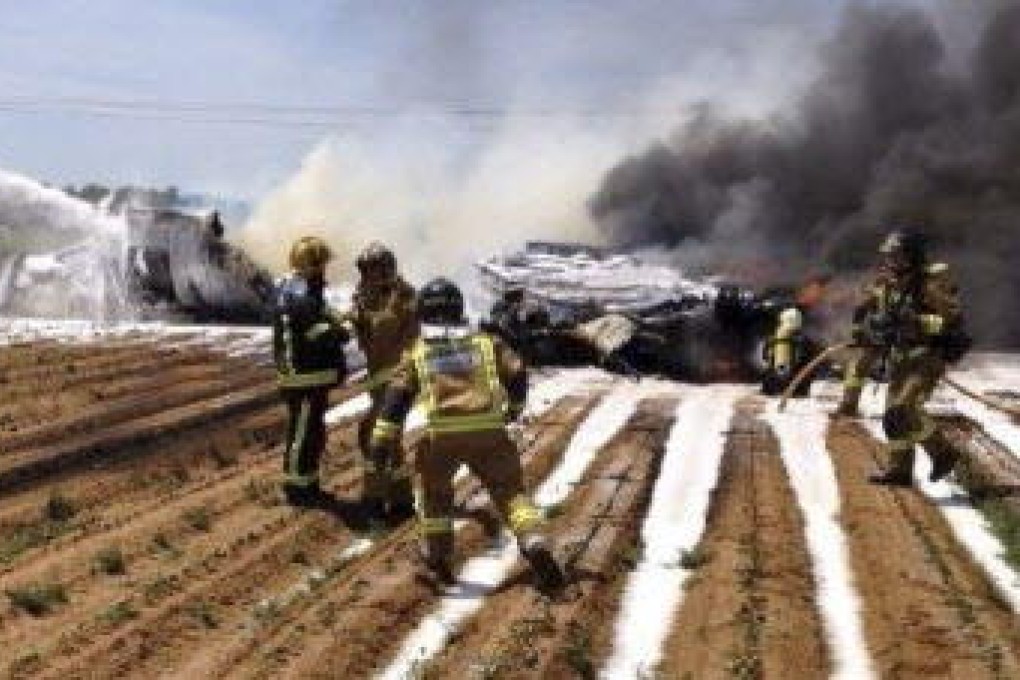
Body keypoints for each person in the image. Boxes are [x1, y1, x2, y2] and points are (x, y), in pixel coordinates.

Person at [369, 277, 564, 591]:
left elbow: (396, 400)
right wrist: (514, 406)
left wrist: (381, 441)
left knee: (435, 496)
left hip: (442, 439)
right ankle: (534, 541)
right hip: (489, 432)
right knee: (511, 493)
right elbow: (517, 373)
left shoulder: (418, 353)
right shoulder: (487, 342)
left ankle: (438, 558)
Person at [842, 229, 967, 486]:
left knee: (905, 409)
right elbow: (875, 311)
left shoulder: (930, 284)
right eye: (889, 256)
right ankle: (899, 471)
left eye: (898, 256)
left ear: (913, 257)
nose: (892, 262)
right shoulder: (889, 283)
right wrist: (874, 327)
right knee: (892, 418)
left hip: (924, 359)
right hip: (900, 359)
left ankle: (944, 453)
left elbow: (952, 320)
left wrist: (916, 321)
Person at [272, 236, 349, 505]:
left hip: (307, 377)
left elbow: (322, 312)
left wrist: (341, 317)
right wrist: (340, 331)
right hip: (303, 378)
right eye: (321, 265)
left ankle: (308, 482)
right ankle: (297, 489)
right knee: (303, 433)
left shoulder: (295, 289)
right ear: (309, 266)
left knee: (311, 431)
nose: (324, 271)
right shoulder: (300, 294)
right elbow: (317, 332)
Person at [346, 242, 420, 519]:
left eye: (371, 271)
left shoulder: (403, 296)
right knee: (388, 439)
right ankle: (401, 500)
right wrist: (356, 312)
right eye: (364, 271)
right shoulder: (372, 295)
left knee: (376, 437)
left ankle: (375, 501)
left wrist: (363, 310)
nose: (366, 277)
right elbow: (365, 335)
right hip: (381, 381)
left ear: (386, 270)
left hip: (400, 378)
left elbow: (384, 328)